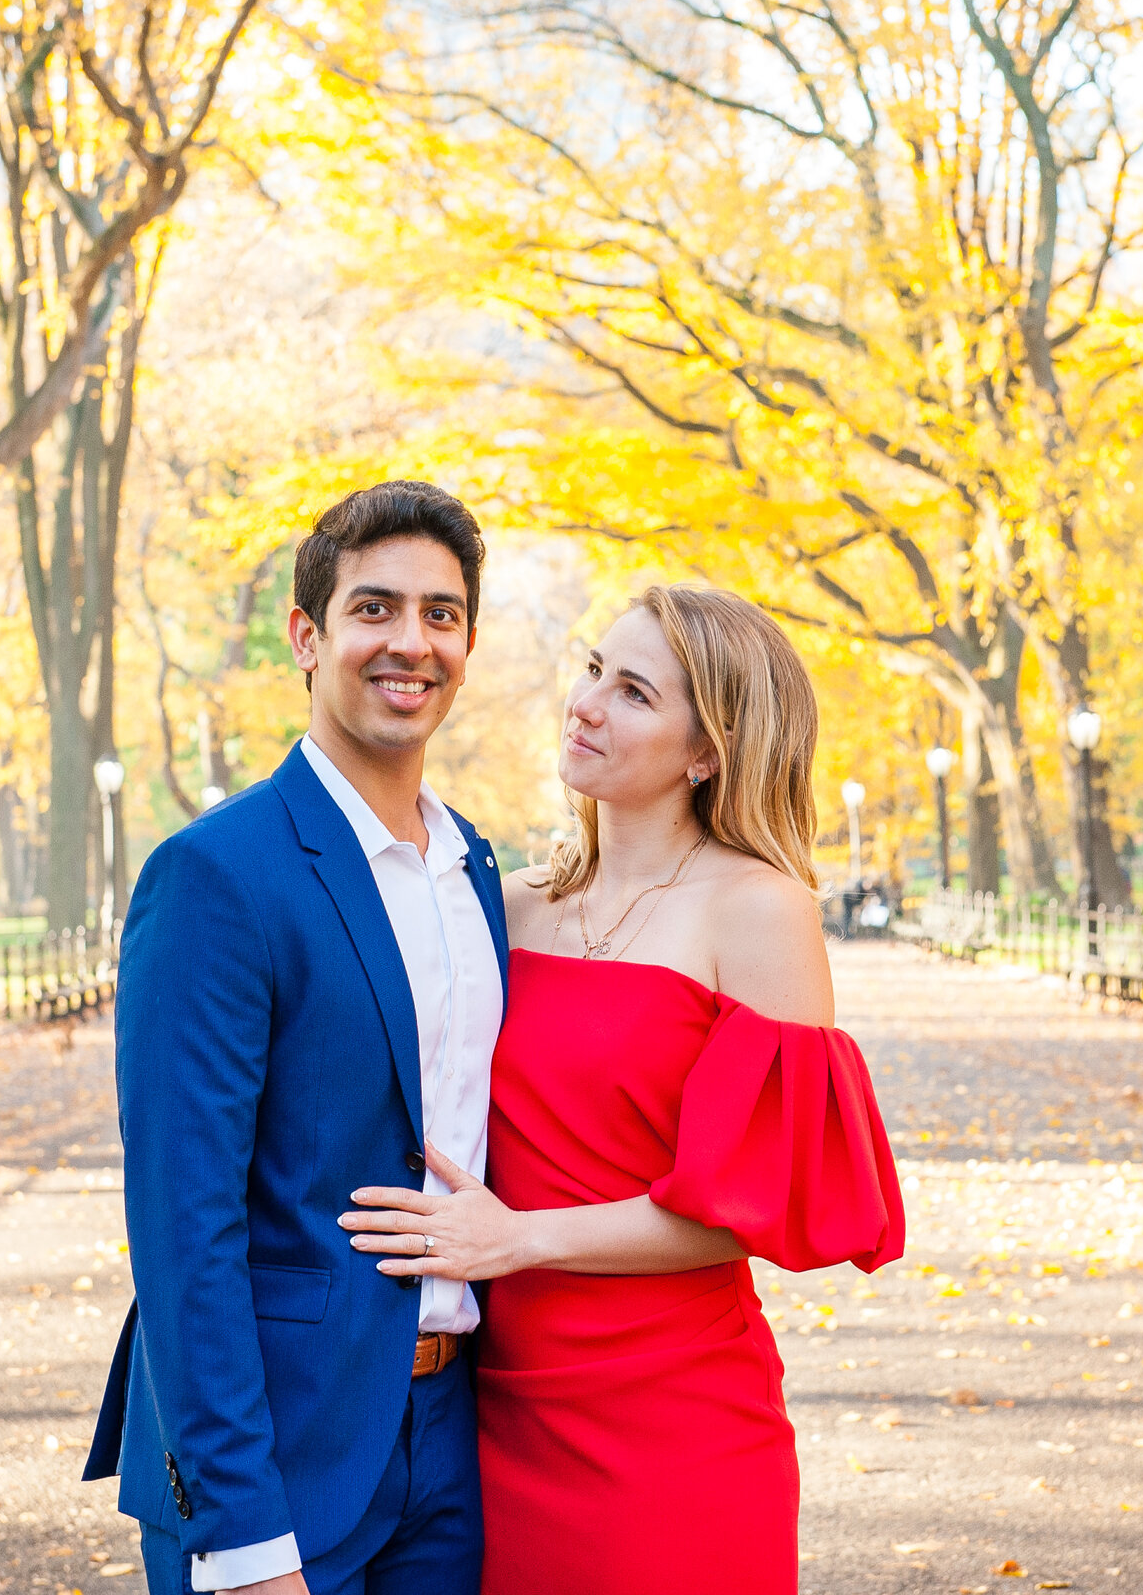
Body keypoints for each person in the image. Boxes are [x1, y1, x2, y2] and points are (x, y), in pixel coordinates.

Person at [337, 584, 907, 1595]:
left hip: (675, 1414)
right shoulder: (499, 902)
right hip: (496, 1407)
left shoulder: (759, 910)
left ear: (707, 753)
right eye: (594, 667)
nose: (587, 702)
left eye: (634, 691)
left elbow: (753, 1209)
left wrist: (520, 1238)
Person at [86, 481, 506, 1595]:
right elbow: (184, 1224)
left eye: (441, 613)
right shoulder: (218, 874)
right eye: (374, 608)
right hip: (279, 1455)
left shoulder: (480, 873)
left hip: (454, 1439)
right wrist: (243, 1534)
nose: (409, 641)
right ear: (307, 636)